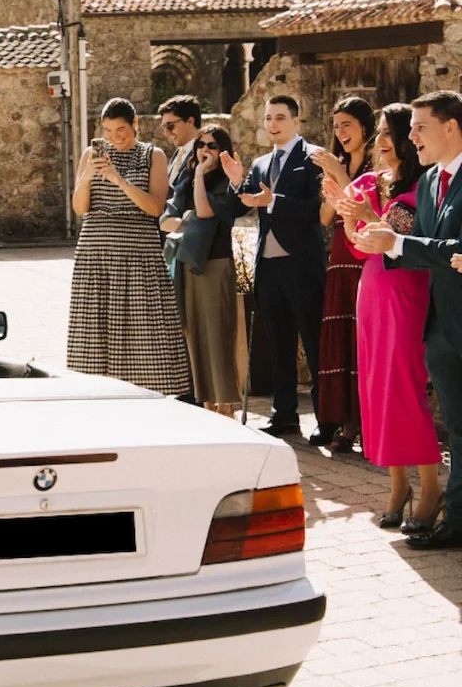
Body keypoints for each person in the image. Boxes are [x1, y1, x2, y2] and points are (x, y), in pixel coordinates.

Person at [324, 104, 441, 529]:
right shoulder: (374, 183)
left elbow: (399, 240)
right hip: (370, 291)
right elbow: (360, 247)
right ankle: (397, 485)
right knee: (376, 389)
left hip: (407, 294)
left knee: (406, 389)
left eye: (393, 132)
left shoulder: (423, 187)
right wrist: (346, 210)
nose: (384, 140)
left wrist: (362, 212)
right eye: (383, 133)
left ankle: (430, 486)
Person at [355, 90, 462, 550]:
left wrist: (398, 245)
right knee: (457, 429)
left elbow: (456, 250)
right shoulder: (431, 183)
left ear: (451, 127)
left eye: (421, 126)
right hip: (440, 325)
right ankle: (456, 520)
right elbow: (436, 255)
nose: (411, 136)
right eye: (411, 128)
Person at [68, 97, 191, 395]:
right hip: (95, 253)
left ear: (135, 124)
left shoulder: (154, 155)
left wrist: (118, 180)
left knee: (143, 328)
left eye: (120, 129)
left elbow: (154, 207)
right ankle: (96, 394)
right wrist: (85, 179)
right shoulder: (91, 153)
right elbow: (79, 208)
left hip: (138, 252)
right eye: (108, 131)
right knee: (95, 329)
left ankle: (145, 394)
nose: (113, 137)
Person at [219, 95, 326, 437]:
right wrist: (237, 182)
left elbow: (316, 210)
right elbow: (241, 208)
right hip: (268, 268)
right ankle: (285, 416)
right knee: (278, 344)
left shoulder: (313, 159)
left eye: (280, 117)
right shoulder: (262, 164)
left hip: (302, 265)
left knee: (313, 343)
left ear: (297, 121)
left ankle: (327, 419)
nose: (272, 124)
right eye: (268, 118)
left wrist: (274, 201)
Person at [161, 125, 241, 414]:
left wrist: (197, 178)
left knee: (217, 333)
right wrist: (188, 219)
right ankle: (206, 404)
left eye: (212, 145)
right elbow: (165, 221)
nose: (205, 151)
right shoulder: (184, 180)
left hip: (216, 263)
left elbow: (205, 212)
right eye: (201, 145)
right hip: (187, 262)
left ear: (223, 151)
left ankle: (226, 406)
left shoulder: (226, 182)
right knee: (194, 333)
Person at [310, 96, 375, 449]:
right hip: (338, 254)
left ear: (364, 126)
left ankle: (368, 422)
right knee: (341, 341)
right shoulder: (340, 164)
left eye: (347, 124)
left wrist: (340, 174)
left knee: (361, 337)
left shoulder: (375, 163)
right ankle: (347, 424)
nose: (340, 132)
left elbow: (365, 208)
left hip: (363, 253)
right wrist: (334, 179)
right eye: (336, 126)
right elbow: (324, 217)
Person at [159, 94, 202, 188]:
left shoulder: (202, 154)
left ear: (190, 121)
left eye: (170, 126)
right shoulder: (179, 152)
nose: (166, 133)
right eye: (164, 127)